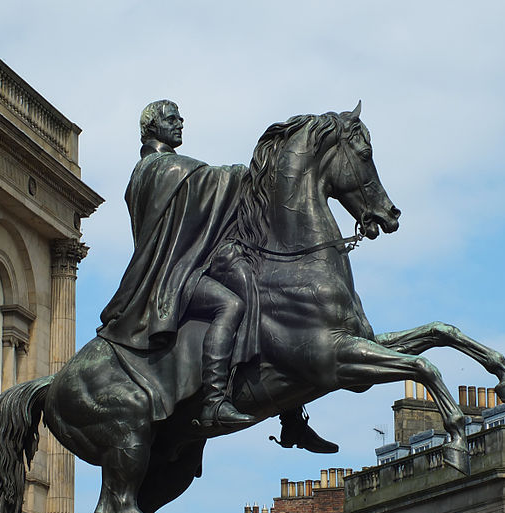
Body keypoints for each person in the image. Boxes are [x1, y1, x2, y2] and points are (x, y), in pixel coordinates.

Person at [98, 100, 337, 450]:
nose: (180, 122)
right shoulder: (155, 168)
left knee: (260, 293)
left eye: (180, 117)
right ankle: (213, 401)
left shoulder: (171, 168)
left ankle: (292, 419)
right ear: (152, 128)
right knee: (230, 305)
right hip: (169, 279)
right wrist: (249, 172)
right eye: (171, 118)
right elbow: (206, 183)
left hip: (188, 267)